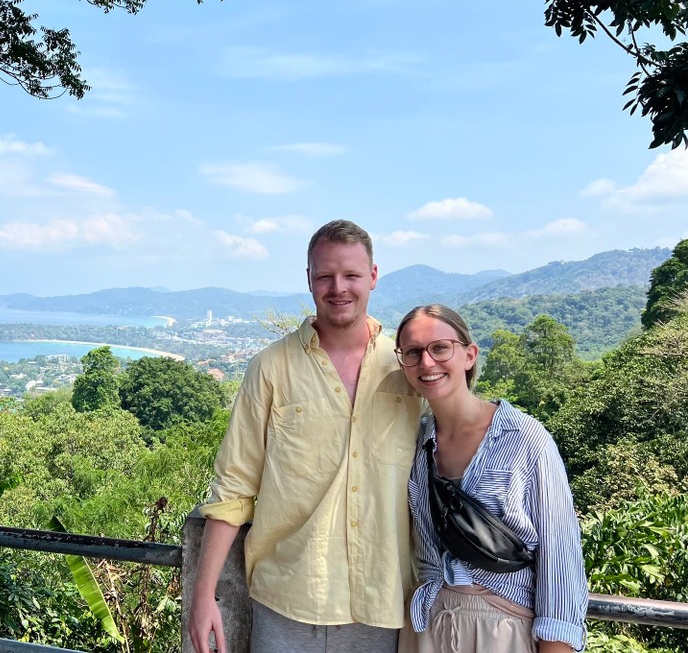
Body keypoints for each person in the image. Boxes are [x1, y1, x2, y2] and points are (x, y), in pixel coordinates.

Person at [188, 220, 425, 653]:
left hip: (384, 603)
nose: (339, 288)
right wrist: (203, 596)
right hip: (289, 600)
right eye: (325, 276)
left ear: (373, 276)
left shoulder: (406, 370)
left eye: (352, 275)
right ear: (309, 279)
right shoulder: (271, 368)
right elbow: (235, 486)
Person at [394, 304, 587, 653]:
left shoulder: (525, 439)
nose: (426, 362)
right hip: (425, 627)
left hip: (503, 630)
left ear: (469, 355)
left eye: (440, 348)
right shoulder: (414, 443)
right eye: (413, 352)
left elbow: (561, 562)